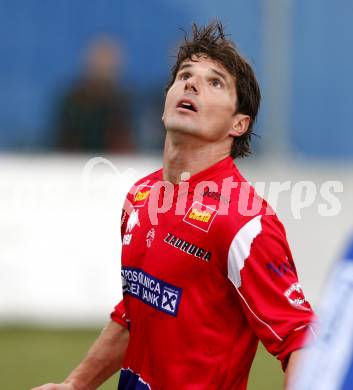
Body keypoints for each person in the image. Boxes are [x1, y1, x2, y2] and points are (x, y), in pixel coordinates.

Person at [33, 21, 315, 390]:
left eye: (215, 82)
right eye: (185, 75)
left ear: (239, 123)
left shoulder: (243, 220)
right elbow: (135, 312)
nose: (192, 83)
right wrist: (75, 384)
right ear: (167, 97)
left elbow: (301, 340)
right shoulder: (140, 196)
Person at [55, 37, 134, 153]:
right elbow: (65, 142)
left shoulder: (123, 102)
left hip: (113, 164)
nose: (103, 68)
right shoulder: (73, 101)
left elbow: (125, 143)